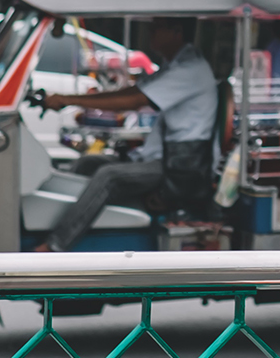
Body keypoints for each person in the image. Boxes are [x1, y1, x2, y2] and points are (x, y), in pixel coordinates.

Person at [34, 17, 217, 251]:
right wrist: (70, 100)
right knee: (88, 163)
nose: (150, 31)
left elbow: (133, 101)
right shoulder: (175, 65)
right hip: (162, 156)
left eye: (156, 26)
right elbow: (133, 92)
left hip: (180, 167)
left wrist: (67, 100)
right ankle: (68, 225)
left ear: (176, 31)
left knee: (109, 176)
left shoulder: (190, 70)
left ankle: (54, 246)